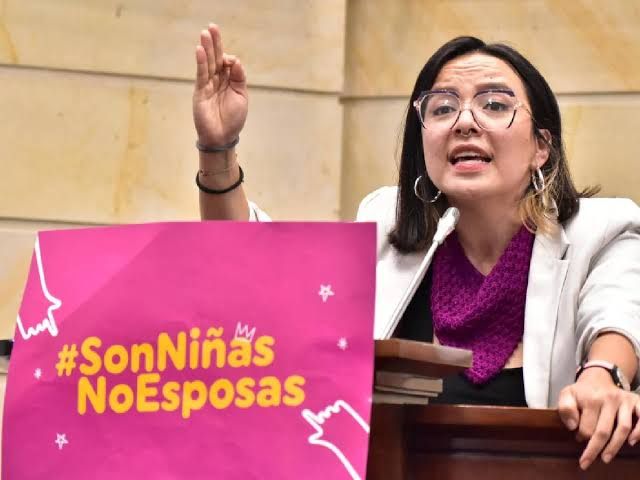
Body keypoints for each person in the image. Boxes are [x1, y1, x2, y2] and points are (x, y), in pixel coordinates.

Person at [191, 24, 640, 469]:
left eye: (494, 104)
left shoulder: (600, 229)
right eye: (443, 108)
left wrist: (603, 376)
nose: (465, 122)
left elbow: (618, 315)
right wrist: (218, 149)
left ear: (541, 146)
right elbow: (261, 273)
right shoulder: (385, 226)